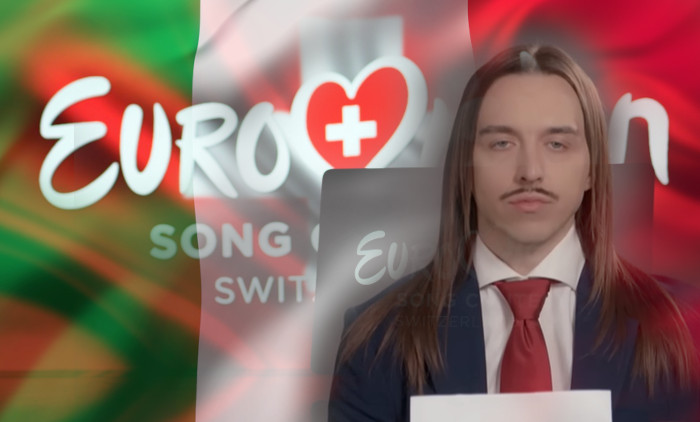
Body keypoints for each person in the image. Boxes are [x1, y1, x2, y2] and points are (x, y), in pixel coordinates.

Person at [328, 44, 699, 421]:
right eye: (502, 143)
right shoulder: (376, 339)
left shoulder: (685, 327)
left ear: (591, 168)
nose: (530, 171)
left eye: (557, 144)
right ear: (466, 166)